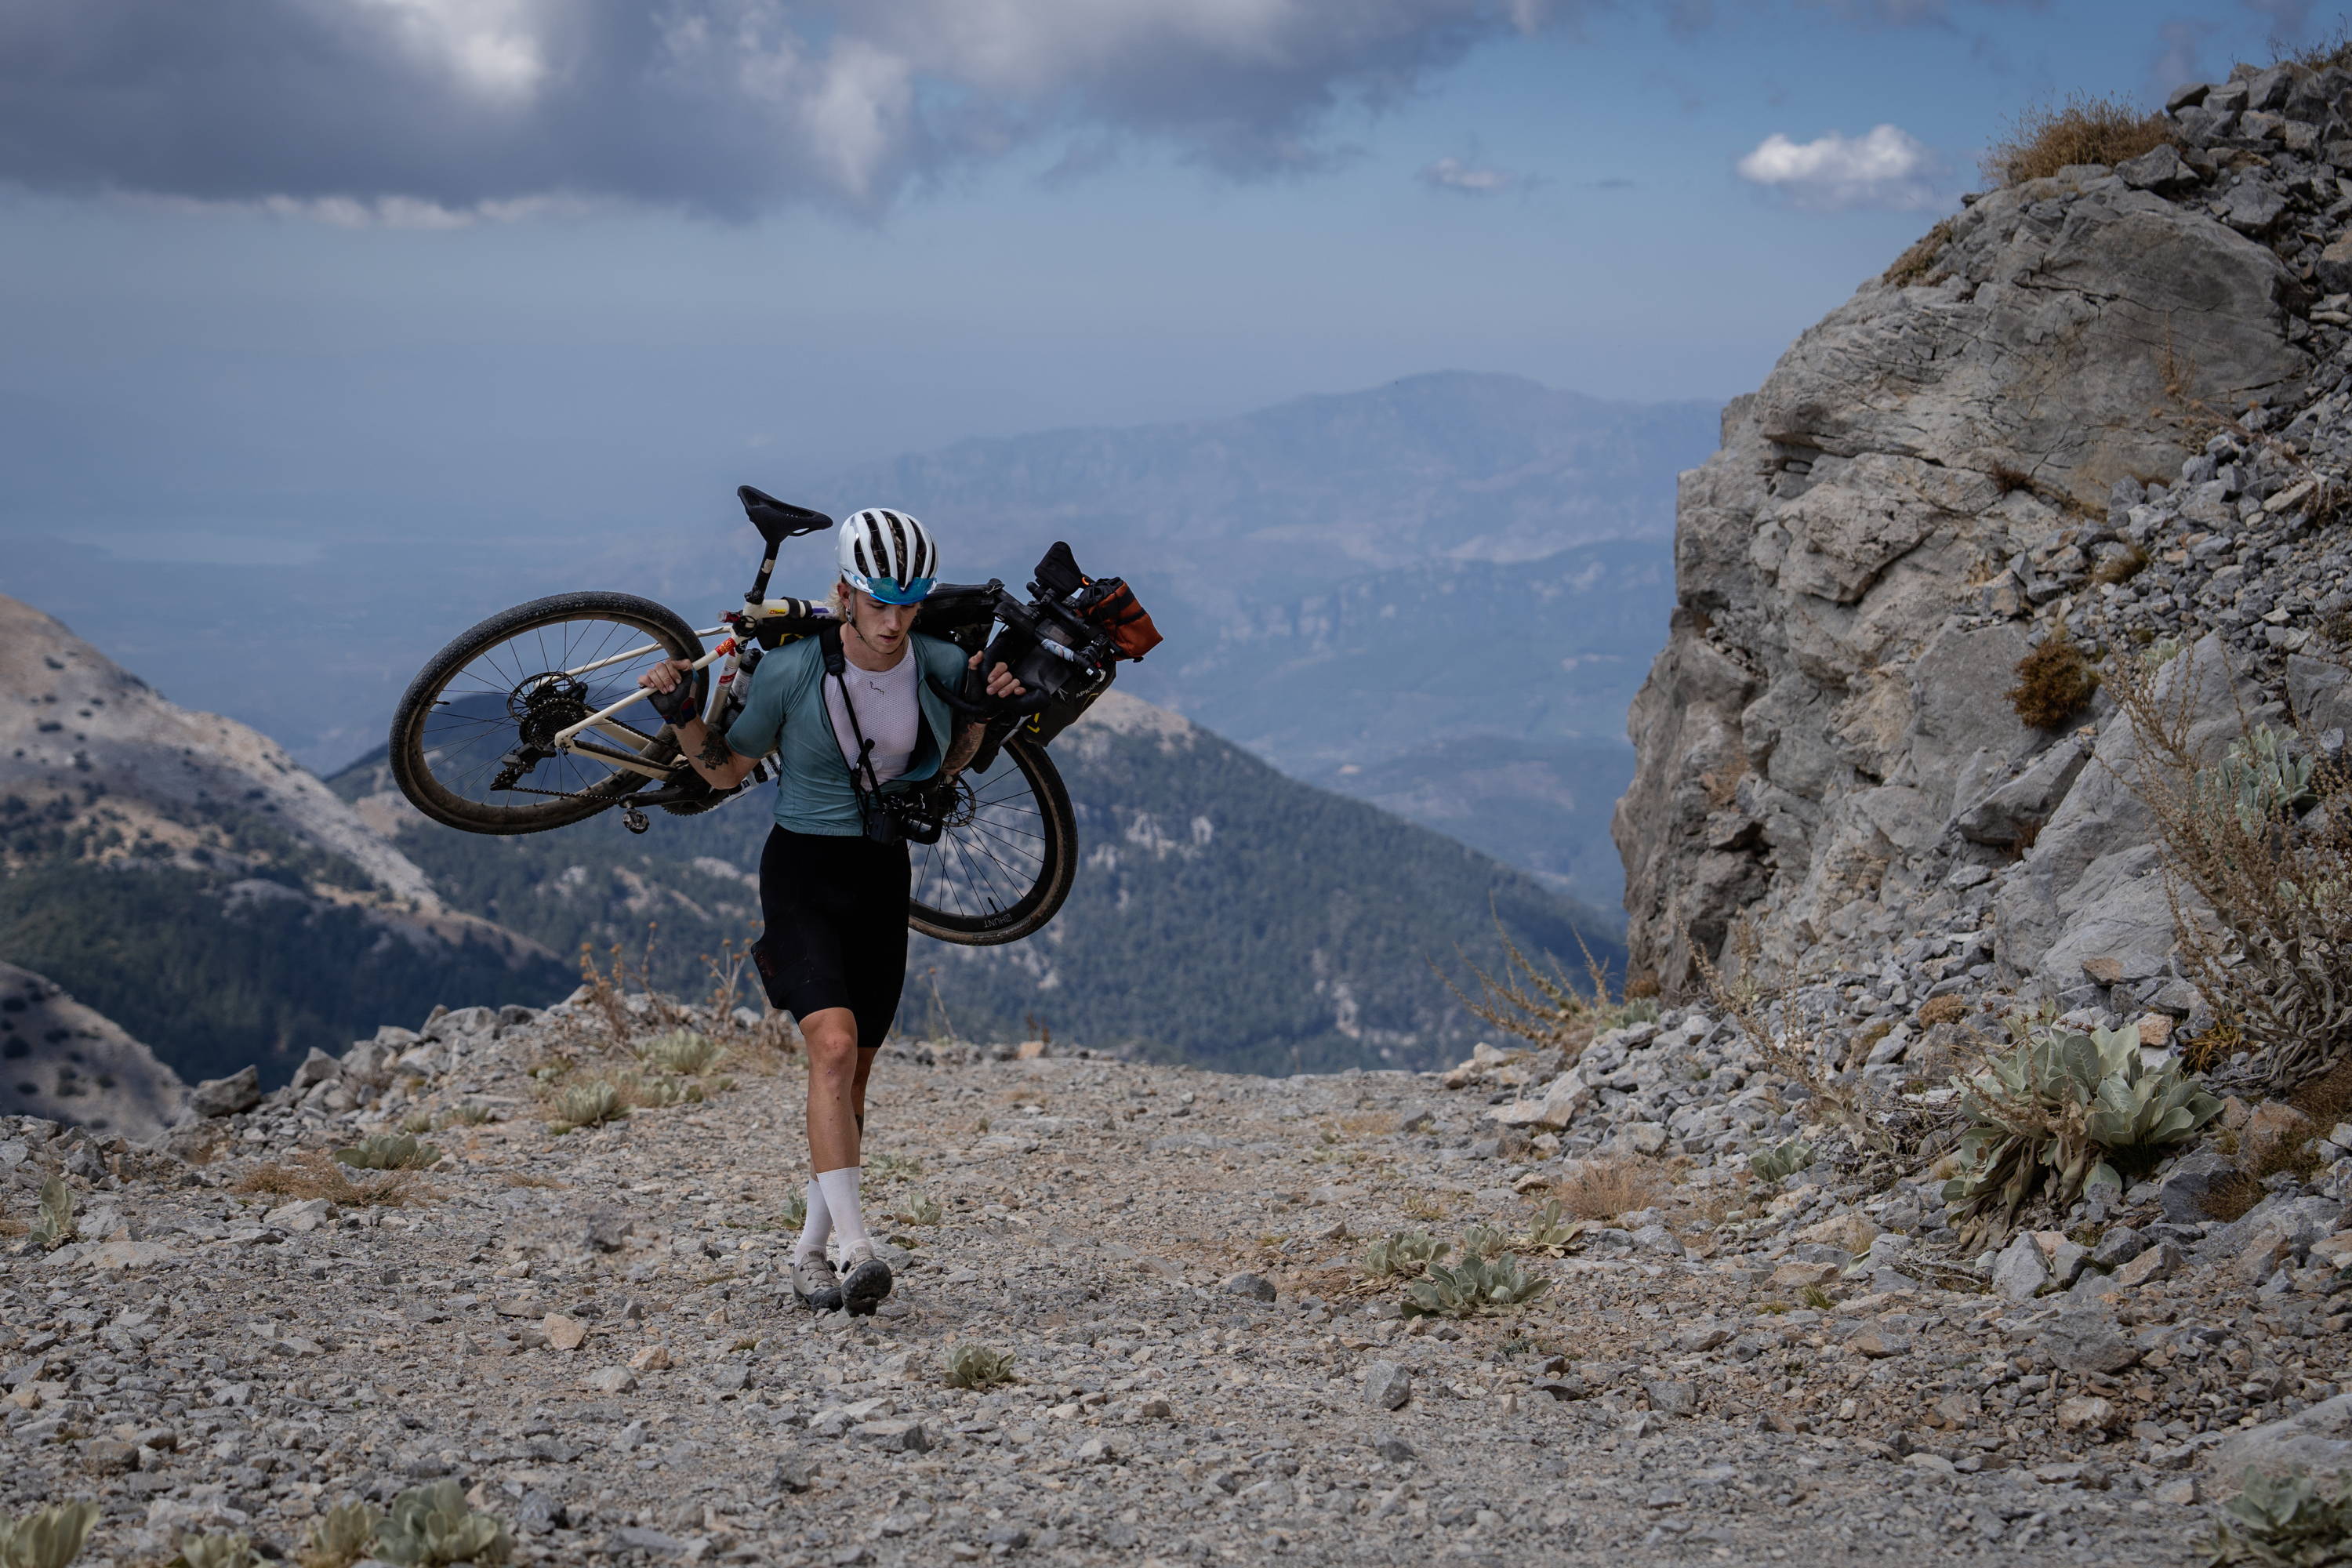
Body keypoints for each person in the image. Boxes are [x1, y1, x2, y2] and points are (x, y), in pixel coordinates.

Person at [637, 508, 1023, 1315]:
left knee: (854, 1078)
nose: (893, 623)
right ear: (845, 592)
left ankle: (810, 1250)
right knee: (835, 1047)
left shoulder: (941, 661)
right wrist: (682, 715)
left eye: (909, 604)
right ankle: (859, 1249)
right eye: (879, 603)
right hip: (803, 869)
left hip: (882, 874)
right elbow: (724, 770)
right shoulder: (791, 672)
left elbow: (947, 764)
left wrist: (982, 710)